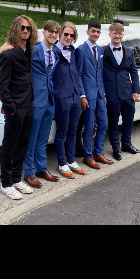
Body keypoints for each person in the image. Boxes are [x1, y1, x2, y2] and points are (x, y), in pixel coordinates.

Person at [0, 16, 37, 199]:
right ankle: (6, 183)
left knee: (23, 144)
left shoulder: (28, 50)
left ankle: (16, 178)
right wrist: (11, 107)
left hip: (28, 106)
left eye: (28, 28)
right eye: (22, 27)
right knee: (9, 146)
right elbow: (1, 85)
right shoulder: (7, 54)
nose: (26, 31)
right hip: (15, 108)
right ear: (15, 29)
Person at [23, 20, 60, 187]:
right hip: (36, 100)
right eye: (50, 32)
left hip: (49, 100)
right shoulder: (34, 50)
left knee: (43, 137)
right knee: (32, 137)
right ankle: (28, 172)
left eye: (56, 33)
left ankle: (41, 168)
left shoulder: (56, 53)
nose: (53, 35)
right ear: (43, 32)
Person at [75, 19, 113, 169]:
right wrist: (82, 95)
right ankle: (88, 156)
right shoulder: (80, 50)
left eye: (98, 32)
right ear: (88, 32)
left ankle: (98, 153)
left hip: (100, 94)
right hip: (88, 95)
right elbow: (78, 75)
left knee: (104, 123)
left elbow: (100, 73)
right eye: (93, 31)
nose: (95, 34)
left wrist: (102, 93)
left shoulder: (100, 50)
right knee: (89, 126)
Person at [52, 21, 87, 178]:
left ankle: (71, 160)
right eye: (66, 34)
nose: (68, 37)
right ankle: (62, 163)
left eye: (72, 35)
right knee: (61, 132)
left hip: (75, 97)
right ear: (60, 34)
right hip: (61, 98)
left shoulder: (75, 52)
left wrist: (81, 95)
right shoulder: (53, 52)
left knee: (73, 131)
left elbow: (78, 74)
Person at [102, 21, 140, 161]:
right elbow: (99, 74)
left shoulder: (129, 51)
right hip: (111, 94)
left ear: (122, 35)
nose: (117, 36)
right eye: (115, 34)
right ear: (110, 35)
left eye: (120, 34)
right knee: (113, 123)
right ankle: (115, 148)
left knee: (128, 121)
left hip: (127, 93)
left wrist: (136, 90)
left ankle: (127, 144)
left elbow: (134, 72)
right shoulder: (104, 51)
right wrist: (104, 94)